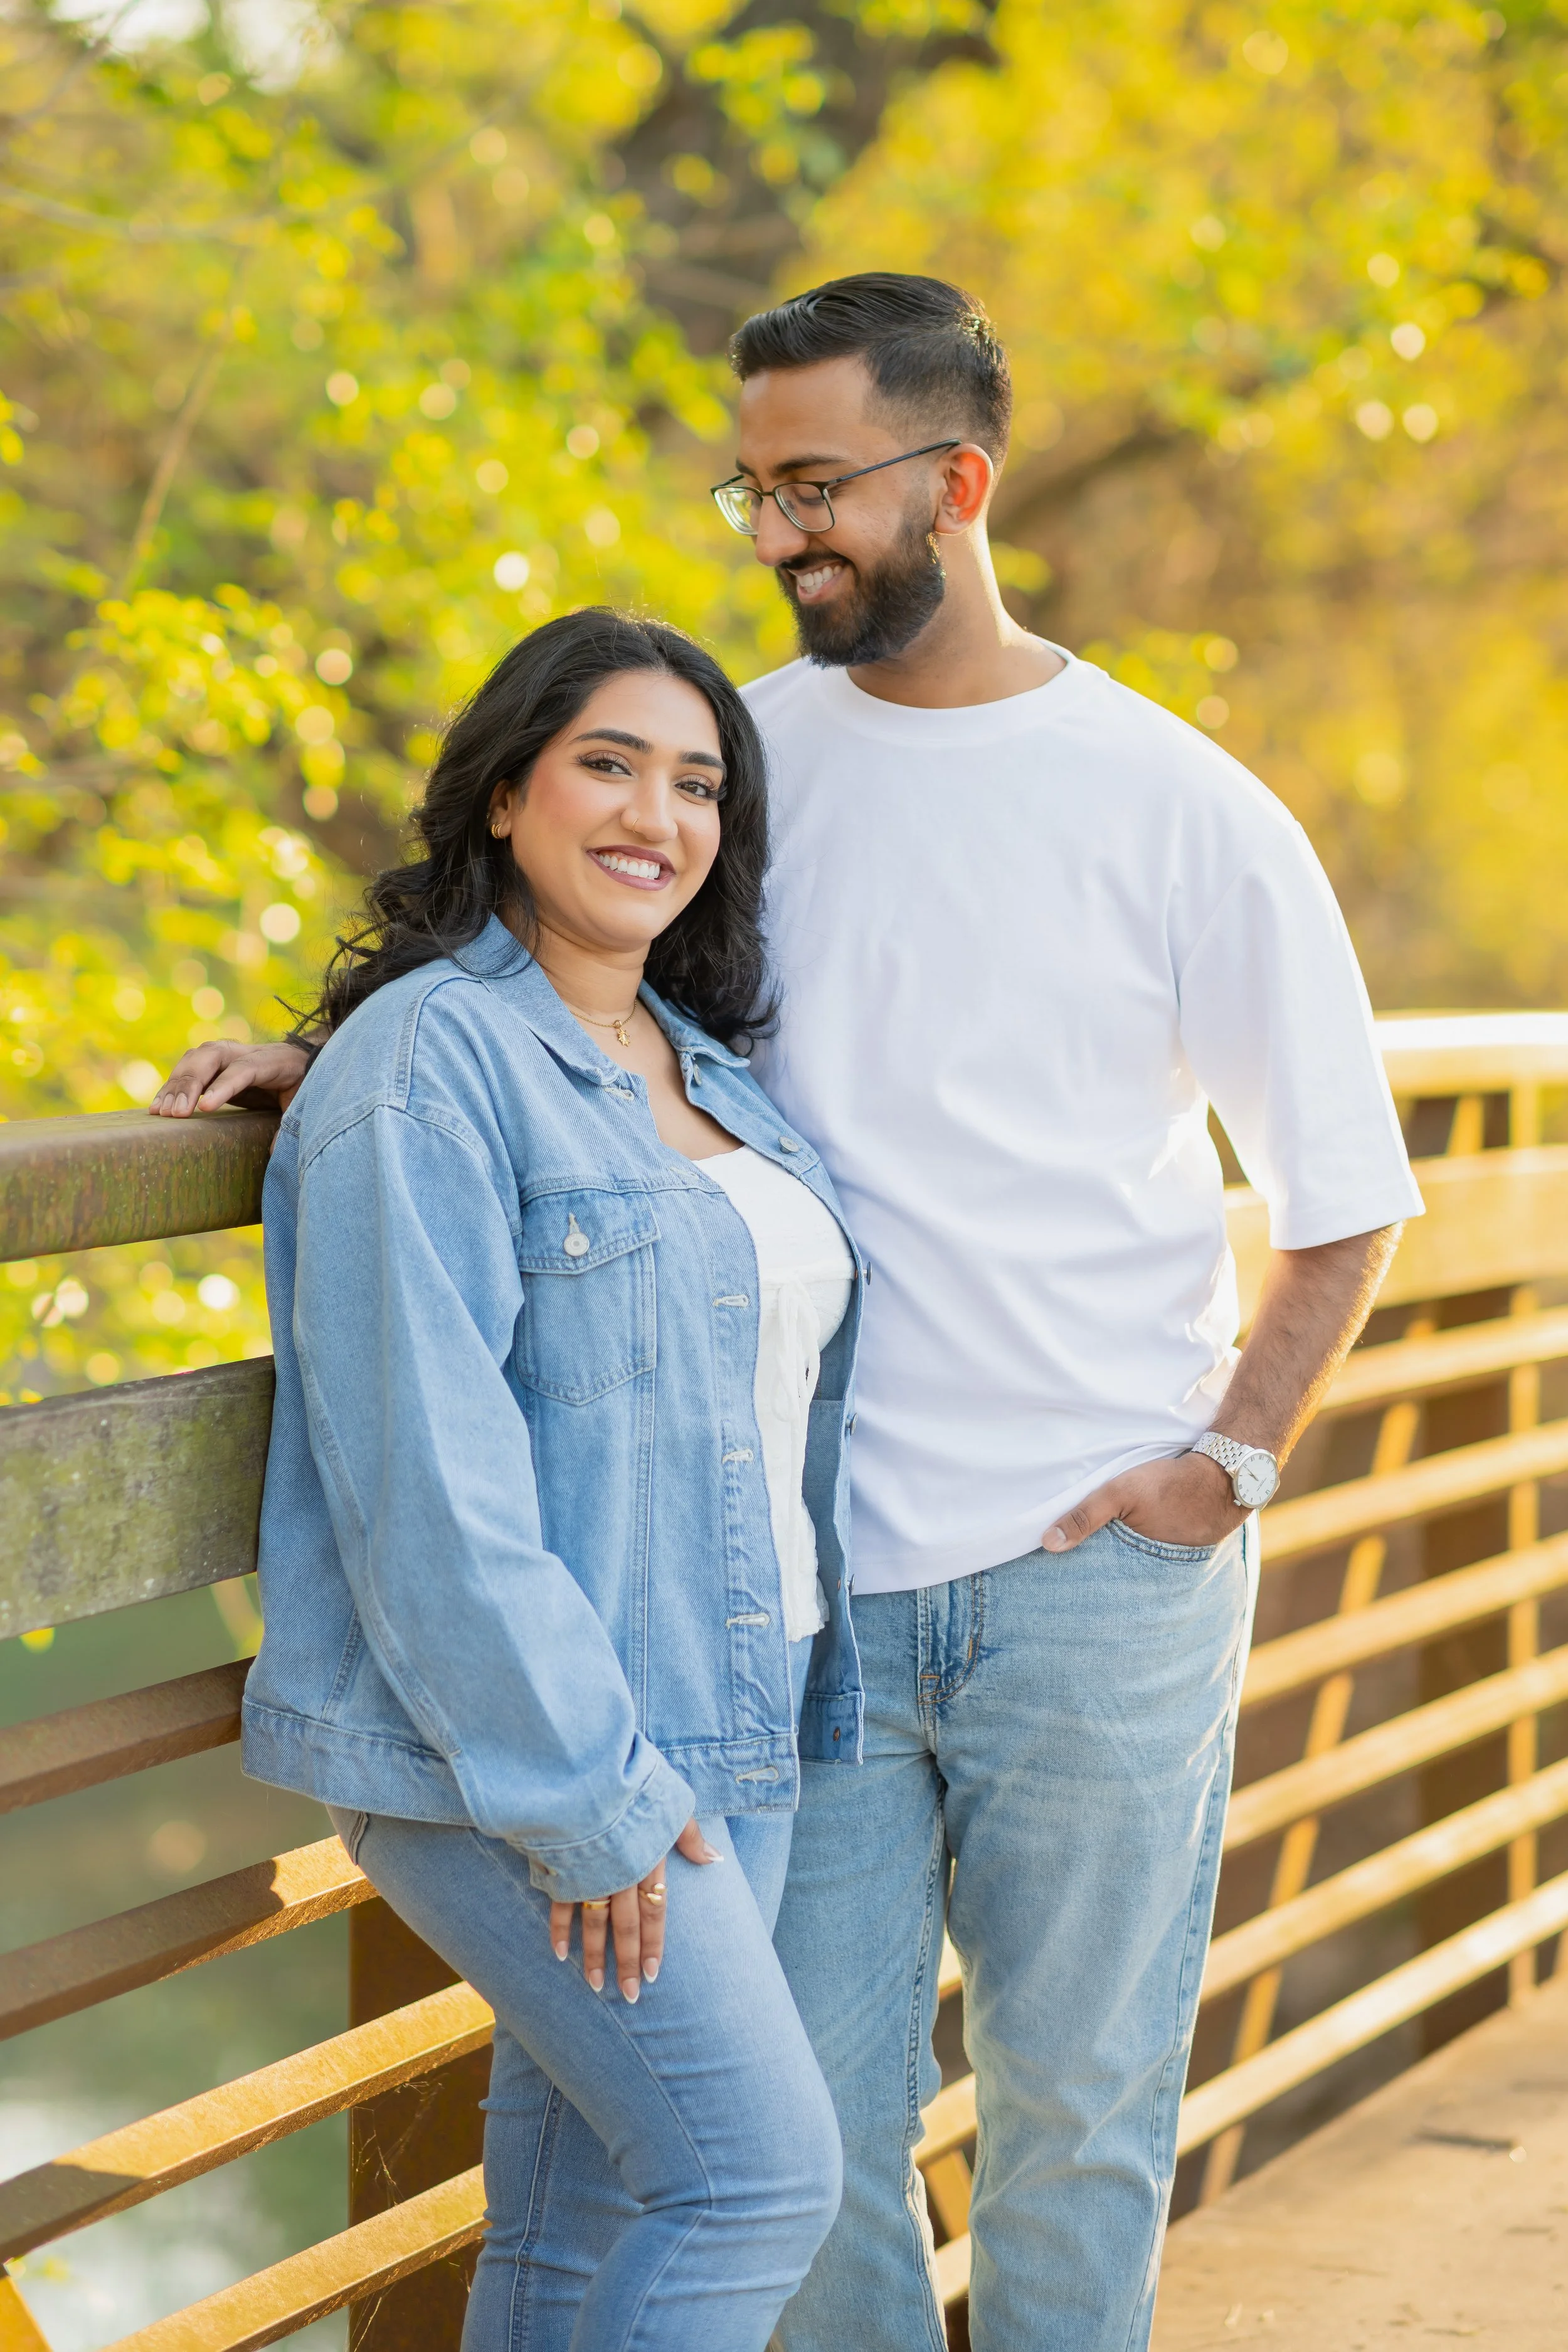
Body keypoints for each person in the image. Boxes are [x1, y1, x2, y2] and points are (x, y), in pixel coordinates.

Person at [154, 277, 1424, 2352]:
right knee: (804, 2158)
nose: (776, 532)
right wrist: (355, 1054)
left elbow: (1346, 1198)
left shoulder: (1180, 803)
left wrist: (1226, 1460)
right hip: (789, 1609)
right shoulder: (736, 762)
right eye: (753, 488)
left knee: (1077, 2126)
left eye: (817, 487)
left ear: (961, 482)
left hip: (1093, 1580)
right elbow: (585, 1012)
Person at [226, 608, 864, 2352]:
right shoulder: (425, 1062)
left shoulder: (701, 1057)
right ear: (506, 794)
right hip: (540, 1748)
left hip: (734, 1704)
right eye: (609, 764)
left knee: (588, 2220)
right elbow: (427, 1486)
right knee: (751, 2183)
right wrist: (581, 1793)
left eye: (698, 784)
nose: (657, 814)